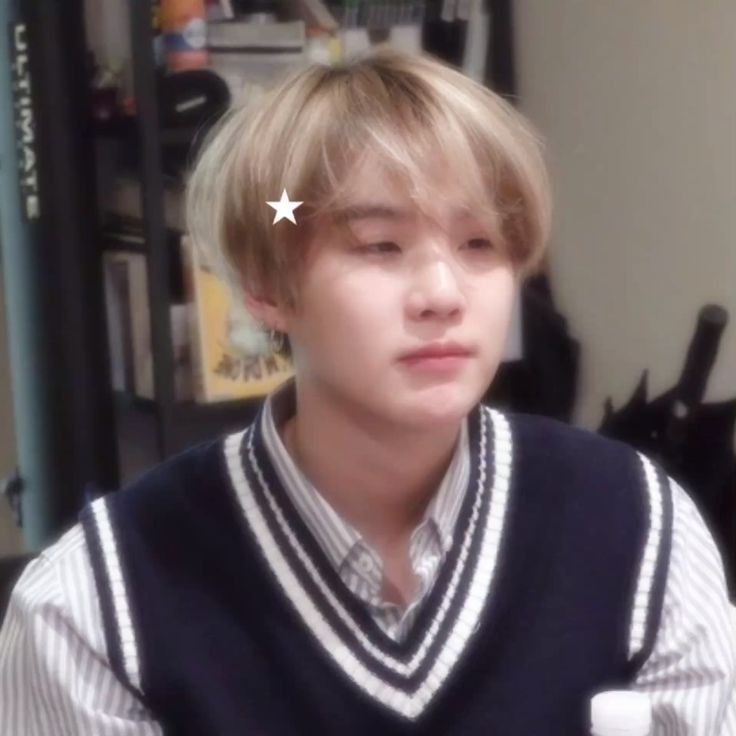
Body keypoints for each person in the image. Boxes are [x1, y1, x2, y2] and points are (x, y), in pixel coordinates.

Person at [1, 44, 735, 736]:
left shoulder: (641, 529)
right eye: (380, 246)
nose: (443, 294)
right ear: (266, 287)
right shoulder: (96, 605)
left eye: (480, 243)